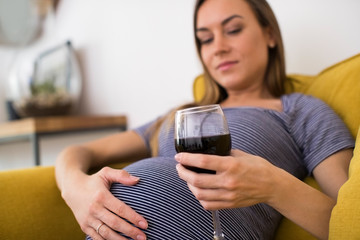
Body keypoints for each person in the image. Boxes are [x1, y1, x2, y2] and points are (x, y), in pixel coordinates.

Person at [55, 0, 355, 239]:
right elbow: (80, 152)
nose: (218, 47)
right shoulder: (180, 115)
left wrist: (273, 185)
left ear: (270, 35)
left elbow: (350, 221)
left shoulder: (302, 111)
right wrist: (76, 189)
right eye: (205, 39)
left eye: (233, 30)